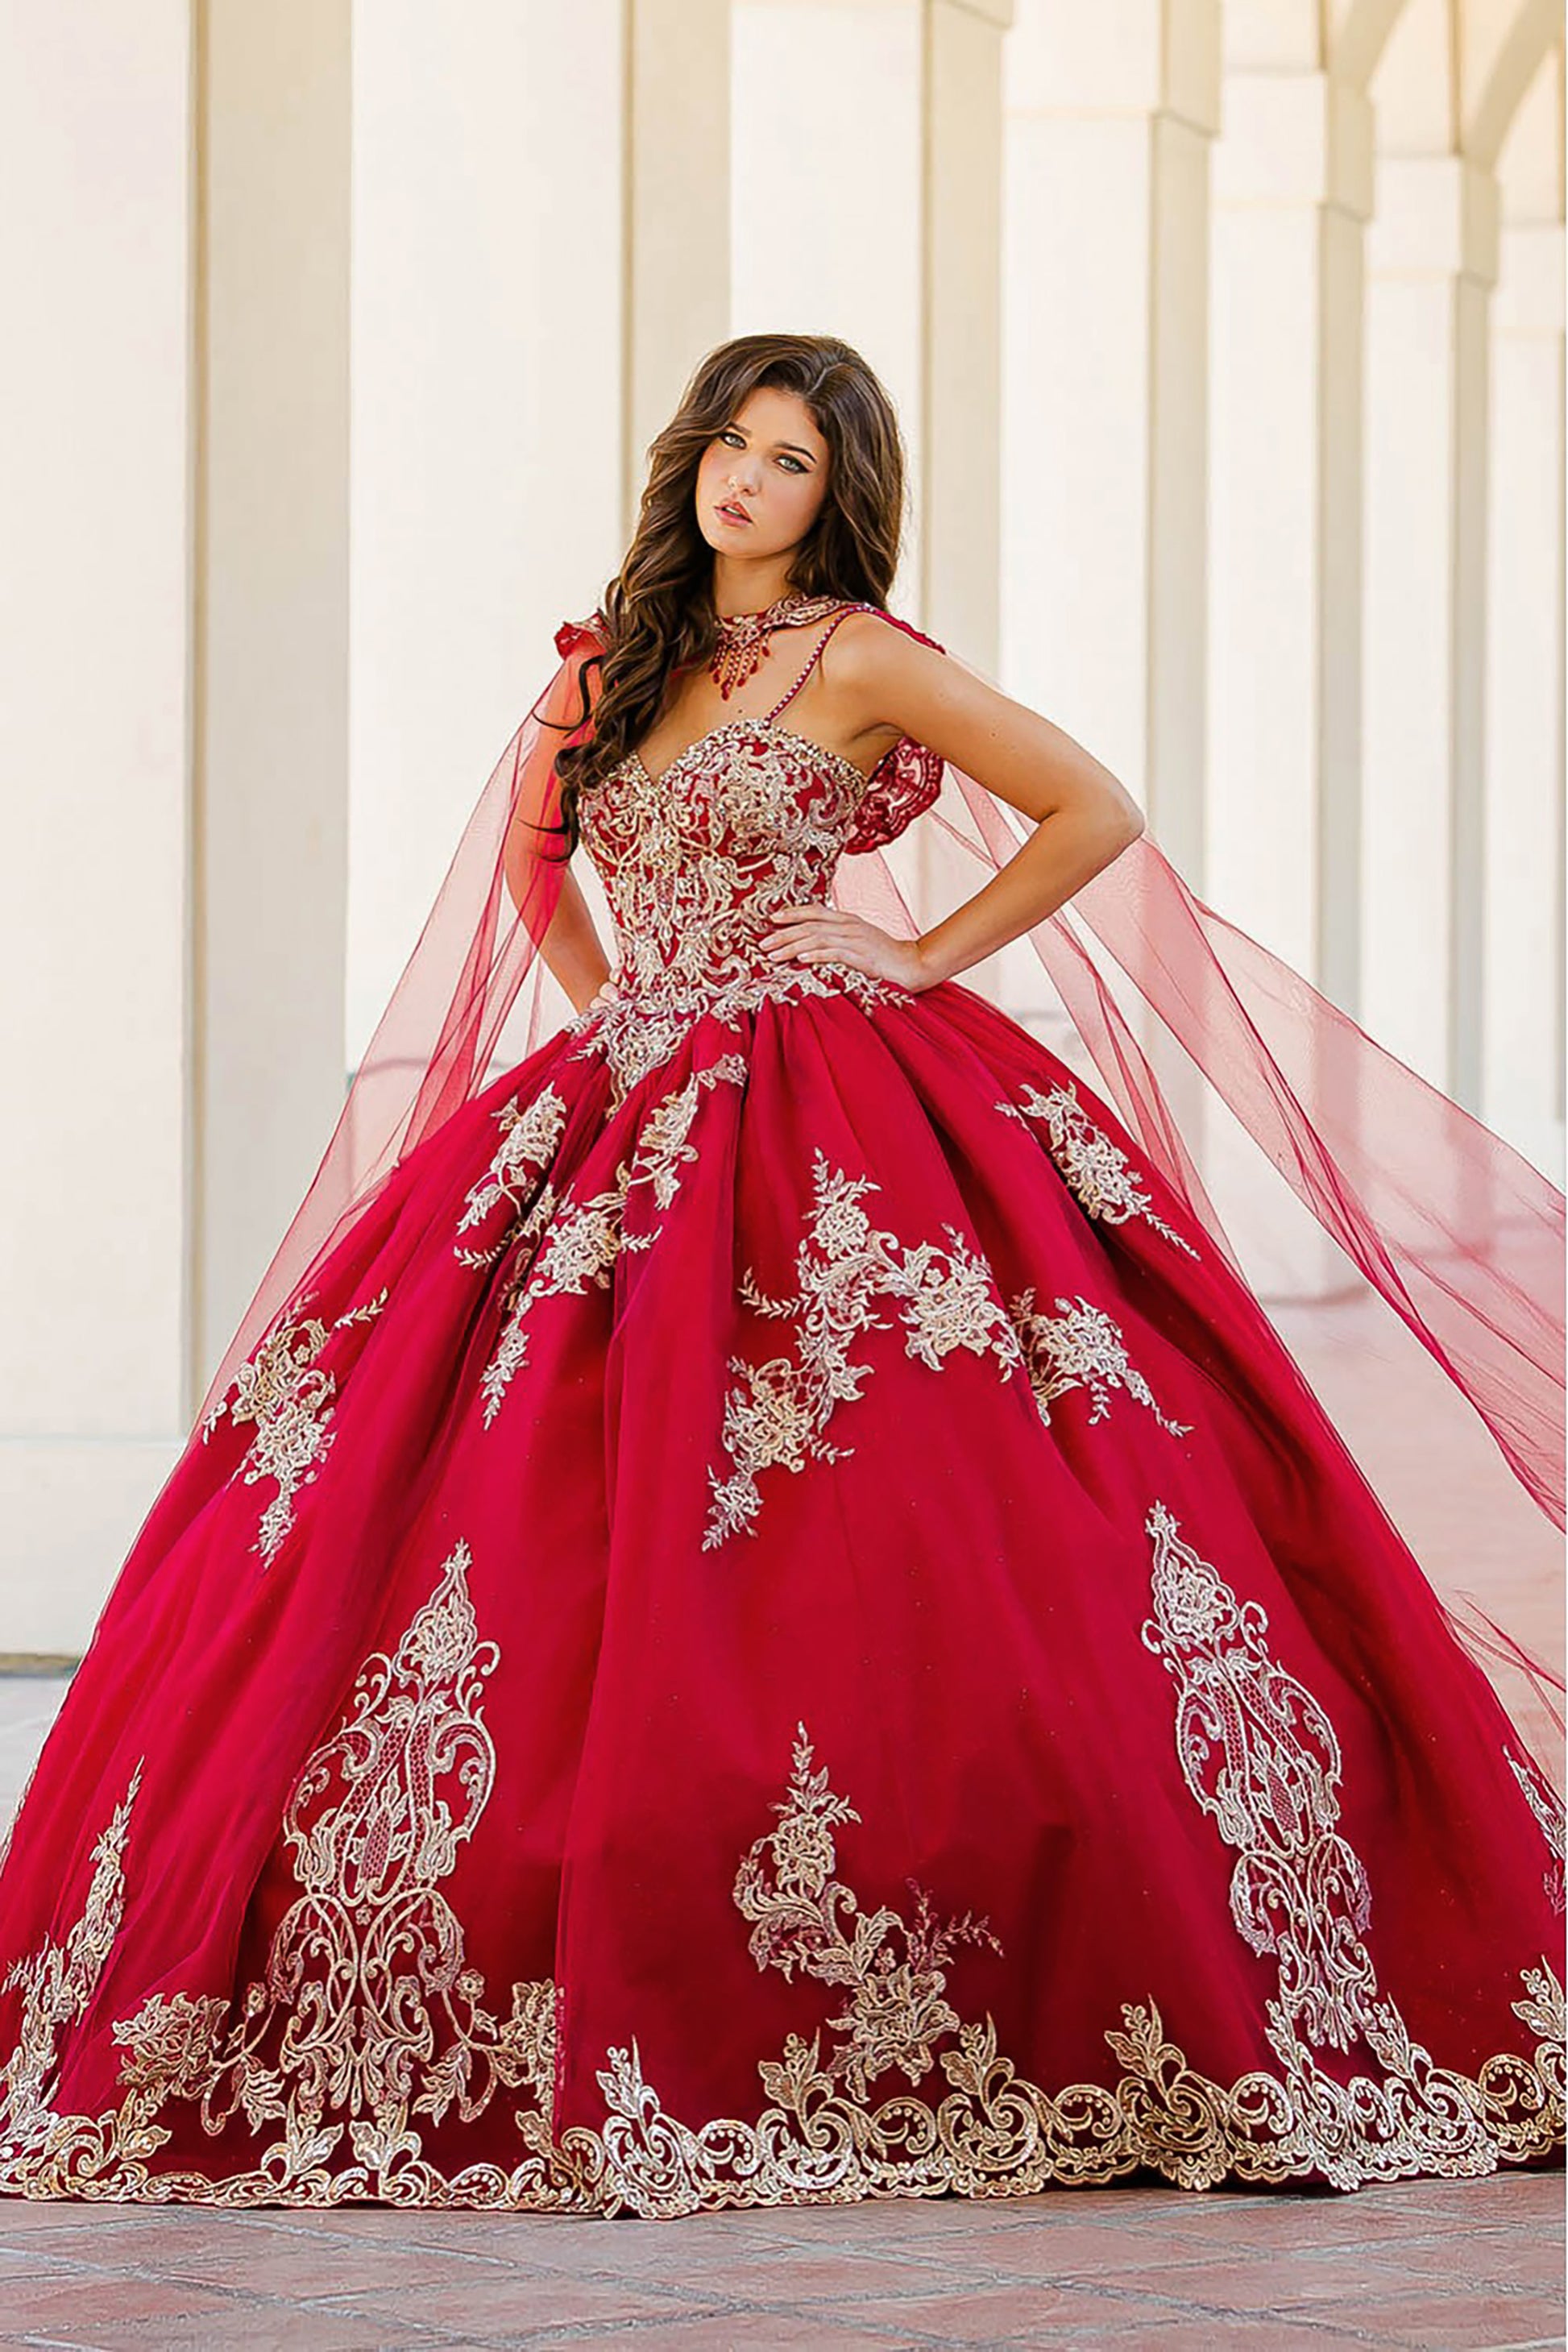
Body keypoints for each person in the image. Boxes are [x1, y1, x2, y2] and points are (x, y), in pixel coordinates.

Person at [0, 333, 1561, 2220]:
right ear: (691, 460)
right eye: (732, 445)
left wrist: (917, 959)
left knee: (921, 1510)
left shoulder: (860, 657)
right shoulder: (613, 667)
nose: (747, 481)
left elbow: (1092, 808)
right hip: (634, 1089)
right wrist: (625, 1019)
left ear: (838, 498)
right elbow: (533, 870)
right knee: (489, 1504)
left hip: (842, 1098)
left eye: (792, 462)